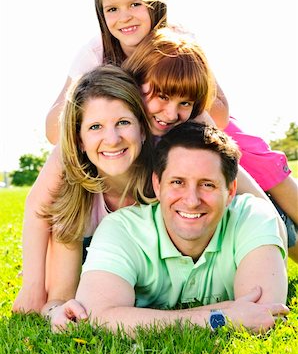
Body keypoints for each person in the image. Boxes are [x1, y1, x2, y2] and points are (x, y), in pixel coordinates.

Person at [44, 0, 298, 257]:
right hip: (144, 135)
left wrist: (175, 99)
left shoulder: (176, 40)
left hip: (190, 122)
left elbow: (219, 113)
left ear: (155, 3)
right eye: (112, 9)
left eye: (135, 4)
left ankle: (283, 238)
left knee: (258, 161)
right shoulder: (96, 52)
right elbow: (53, 129)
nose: (124, 17)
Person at [49, 122, 288, 334]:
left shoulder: (252, 215)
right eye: (177, 182)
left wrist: (134, 317)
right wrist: (223, 318)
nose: (192, 200)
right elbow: (99, 317)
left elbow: (263, 313)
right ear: (157, 183)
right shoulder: (122, 229)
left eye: (207, 184)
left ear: (231, 191)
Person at [13, 65, 156, 313]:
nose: (112, 139)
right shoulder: (76, 199)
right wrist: (50, 306)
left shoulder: (167, 179)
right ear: (79, 140)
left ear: (142, 129)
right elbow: (58, 299)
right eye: (95, 127)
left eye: (123, 122)